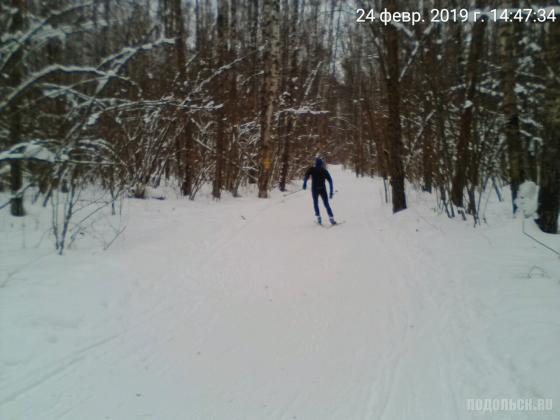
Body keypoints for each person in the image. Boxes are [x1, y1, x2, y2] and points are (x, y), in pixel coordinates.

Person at [303, 158, 336, 225]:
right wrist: (331, 192)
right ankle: (331, 218)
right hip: (322, 189)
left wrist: (305, 183)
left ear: (315, 163)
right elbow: (330, 181)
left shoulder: (312, 169)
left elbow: (306, 176)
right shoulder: (324, 170)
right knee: (326, 204)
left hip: (314, 189)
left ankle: (318, 218)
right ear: (321, 164)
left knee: (315, 203)